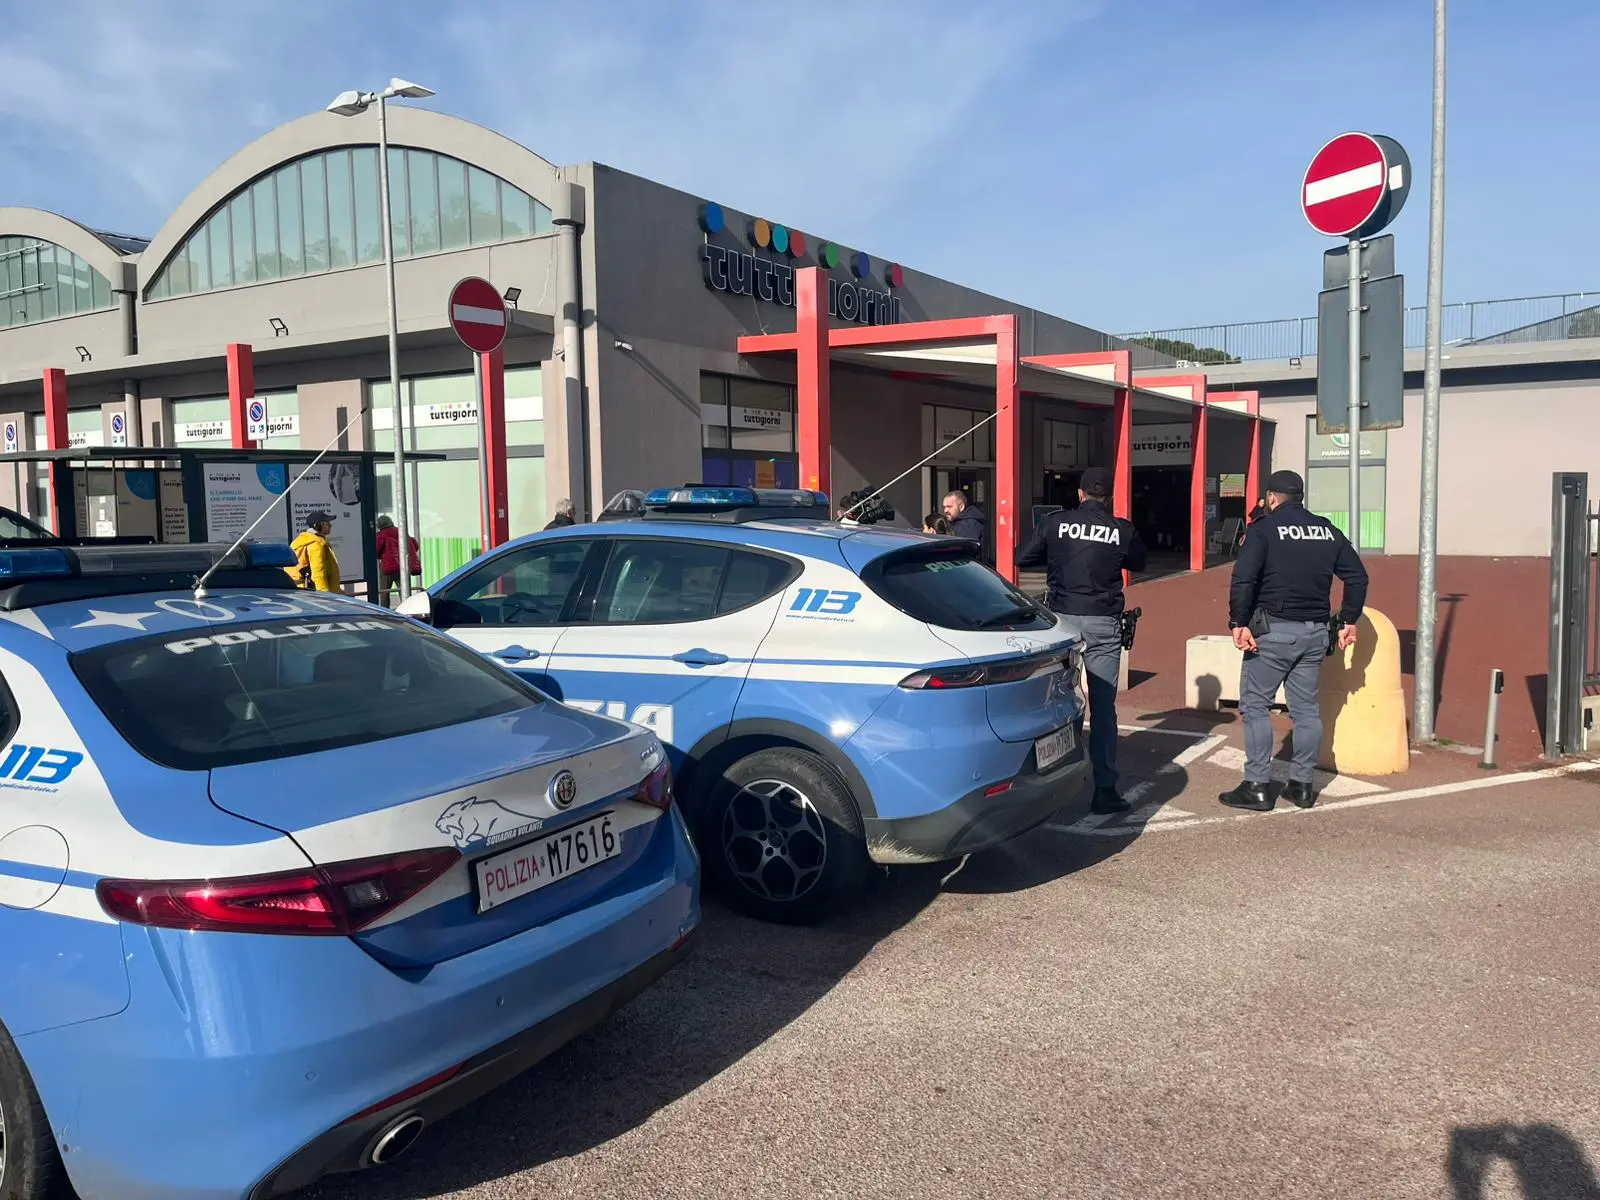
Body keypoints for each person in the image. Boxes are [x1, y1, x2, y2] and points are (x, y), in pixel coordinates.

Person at [1220, 469, 1369, 812]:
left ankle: (1257, 785)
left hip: (1273, 631)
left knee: (1256, 704)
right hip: (1316, 632)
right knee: (1305, 710)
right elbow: (1357, 577)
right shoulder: (1326, 529)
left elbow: (1243, 579)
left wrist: (1238, 622)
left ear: (1271, 498)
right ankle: (1302, 786)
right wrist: (1348, 619)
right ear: (1300, 496)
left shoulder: (1264, 529)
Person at [1015, 466, 1146, 814]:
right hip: (1104, 622)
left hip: (1062, 623)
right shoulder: (1122, 529)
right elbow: (1140, 562)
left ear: (1080, 493)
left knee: (1049, 702)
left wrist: (1057, 556)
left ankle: (1044, 779)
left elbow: (1022, 557)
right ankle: (1105, 790)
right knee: (1104, 708)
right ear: (1110, 496)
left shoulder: (1056, 523)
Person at [287, 510, 341, 593]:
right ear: (318, 526)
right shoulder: (316, 544)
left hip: (303, 589)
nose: (331, 525)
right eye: (326, 523)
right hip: (314, 591)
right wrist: (325, 596)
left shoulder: (304, 540)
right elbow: (318, 573)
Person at [375, 514, 420, 608]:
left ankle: (385, 611)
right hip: (403, 566)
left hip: (388, 567)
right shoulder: (401, 531)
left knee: (384, 592)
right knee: (404, 590)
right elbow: (414, 545)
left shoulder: (381, 534)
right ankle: (407, 608)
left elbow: (377, 550)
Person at [942, 490, 988, 561]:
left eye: (949, 506)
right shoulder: (957, 522)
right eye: (944, 507)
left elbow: (962, 554)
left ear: (961, 507)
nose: (946, 510)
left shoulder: (969, 525)